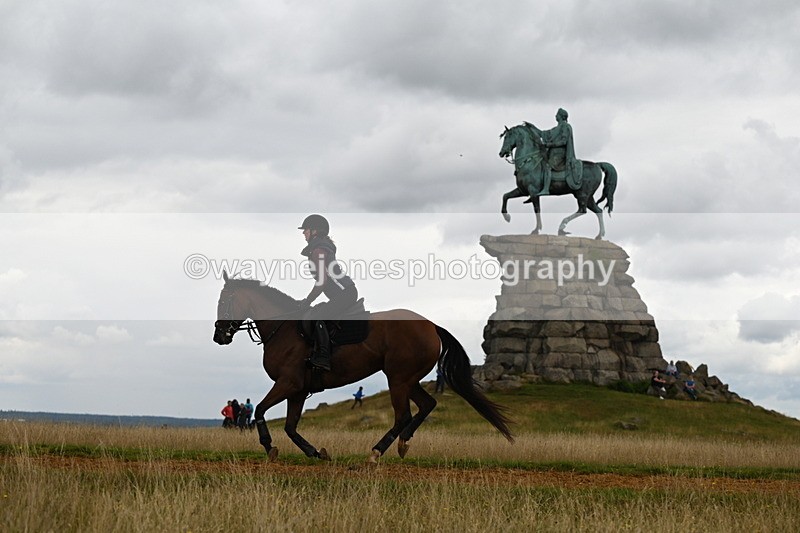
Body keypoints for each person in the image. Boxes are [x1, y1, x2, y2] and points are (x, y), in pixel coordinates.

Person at [298, 214, 359, 371]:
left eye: (305, 230)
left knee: (318, 317)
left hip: (345, 294)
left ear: (315, 231)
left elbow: (322, 282)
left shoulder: (318, 250)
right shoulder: (318, 248)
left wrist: (307, 301)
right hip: (343, 294)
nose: (303, 233)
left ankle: (323, 357)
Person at [524, 108, 582, 195]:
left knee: (547, 166)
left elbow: (564, 141)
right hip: (552, 153)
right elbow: (543, 134)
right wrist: (533, 127)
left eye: (557, 114)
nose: (555, 116)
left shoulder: (566, 127)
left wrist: (549, 145)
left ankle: (546, 189)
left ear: (561, 116)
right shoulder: (556, 128)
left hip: (560, 154)